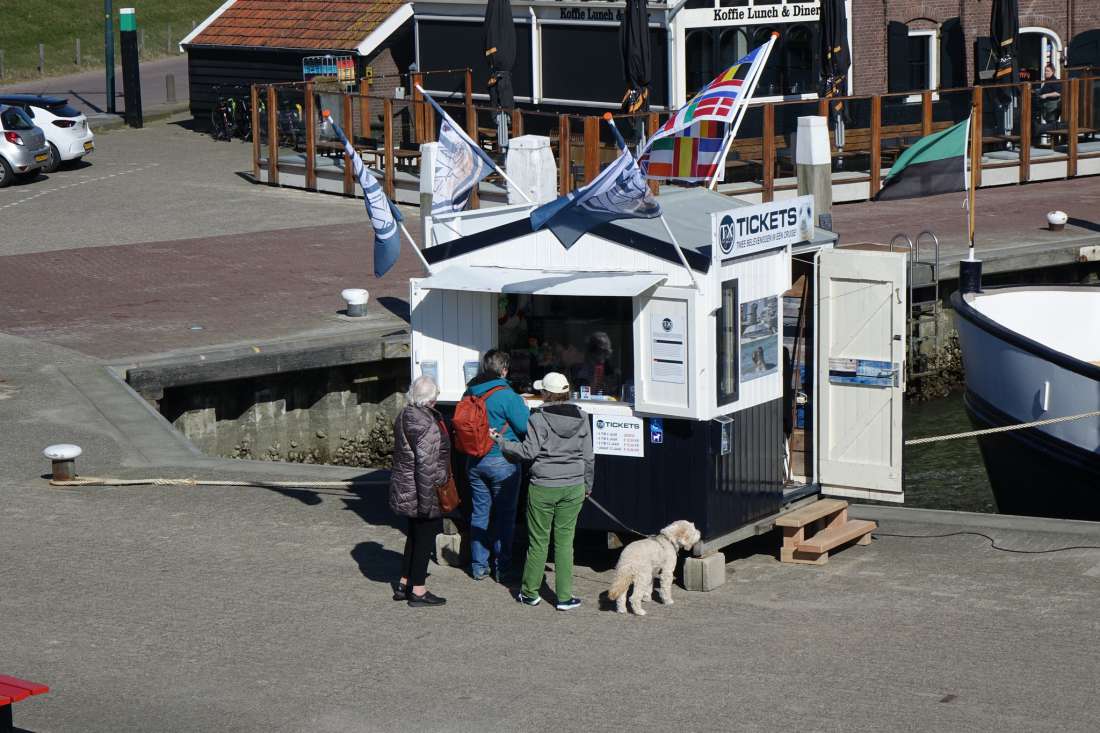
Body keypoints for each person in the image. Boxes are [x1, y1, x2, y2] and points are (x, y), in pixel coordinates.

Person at [492, 372, 594, 611]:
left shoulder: (538, 418)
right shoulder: (582, 416)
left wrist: (501, 441)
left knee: (538, 542)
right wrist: (587, 486)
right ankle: (564, 597)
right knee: (565, 542)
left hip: (544, 485)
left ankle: (530, 593)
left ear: (547, 393)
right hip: (574, 485)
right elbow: (589, 457)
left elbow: (527, 452)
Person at [465, 350, 530, 582]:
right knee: (505, 516)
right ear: (504, 370)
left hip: (474, 460)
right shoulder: (508, 396)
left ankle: (478, 566)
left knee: (479, 513)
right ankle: (502, 567)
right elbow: (524, 427)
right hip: (503, 460)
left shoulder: (470, 391)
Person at [388, 376, 450, 608]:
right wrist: (426, 503)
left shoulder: (405, 415)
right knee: (424, 537)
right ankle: (419, 590)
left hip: (404, 486)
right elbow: (425, 466)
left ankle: (404, 583)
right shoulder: (427, 425)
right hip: (422, 490)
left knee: (413, 536)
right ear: (431, 399)